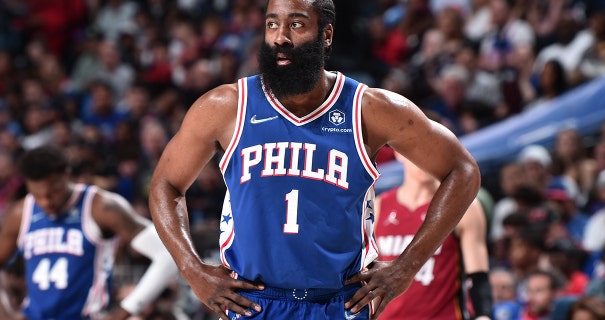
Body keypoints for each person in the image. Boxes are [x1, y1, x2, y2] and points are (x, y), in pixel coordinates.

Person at [147, 0, 481, 319]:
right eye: (272, 25)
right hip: (252, 303)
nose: (280, 37)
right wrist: (191, 269)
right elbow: (166, 182)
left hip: (338, 302)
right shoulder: (226, 106)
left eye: (296, 24)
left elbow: (462, 169)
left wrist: (406, 266)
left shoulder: (369, 109)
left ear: (326, 34)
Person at [0, 145, 178, 319]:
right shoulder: (20, 212)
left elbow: (168, 254)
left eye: (53, 192)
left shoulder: (100, 206)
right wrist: (6, 314)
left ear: (67, 175)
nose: (46, 202)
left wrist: (125, 310)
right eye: (37, 195)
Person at [373, 151, 492, 319]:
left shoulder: (464, 206)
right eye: (417, 148)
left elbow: (478, 275)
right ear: (398, 152)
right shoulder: (378, 207)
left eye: (432, 150)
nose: (425, 158)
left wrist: (483, 315)